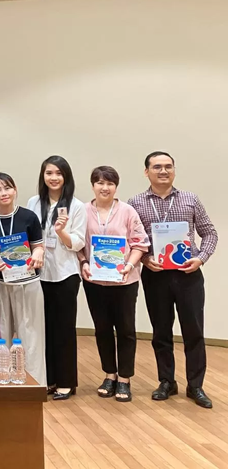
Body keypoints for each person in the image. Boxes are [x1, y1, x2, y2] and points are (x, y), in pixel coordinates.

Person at [128, 151, 218, 409]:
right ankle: (167, 381)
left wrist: (201, 258)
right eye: (157, 167)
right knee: (161, 331)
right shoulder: (135, 203)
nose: (163, 171)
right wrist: (145, 259)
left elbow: (209, 233)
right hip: (155, 276)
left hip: (188, 275)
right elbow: (132, 240)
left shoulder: (190, 199)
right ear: (147, 172)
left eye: (168, 166)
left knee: (194, 331)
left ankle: (196, 385)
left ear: (174, 170)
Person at [80, 166, 149, 403]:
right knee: (102, 329)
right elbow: (79, 244)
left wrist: (129, 265)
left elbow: (140, 243)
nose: (104, 187)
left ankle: (125, 378)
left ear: (115, 186)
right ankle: (109, 374)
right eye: (99, 182)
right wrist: (84, 262)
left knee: (126, 330)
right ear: (92, 186)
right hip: (94, 281)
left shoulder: (128, 211)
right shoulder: (83, 211)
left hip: (124, 281)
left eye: (109, 183)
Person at [26, 155, 86, 400]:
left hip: (65, 274)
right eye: (49, 173)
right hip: (37, 275)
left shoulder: (77, 206)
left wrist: (61, 232)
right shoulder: (33, 202)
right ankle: (49, 378)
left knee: (63, 329)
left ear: (66, 177)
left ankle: (66, 382)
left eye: (58, 173)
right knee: (43, 328)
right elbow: (28, 236)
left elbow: (78, 243)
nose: (53, 178)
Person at [0, 172, 47, 386]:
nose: (4, 193)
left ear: (15, 189)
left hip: (28, 282)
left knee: (31, 335)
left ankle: (34, 383)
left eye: (8, 188)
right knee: (1, 334)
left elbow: (38, 246)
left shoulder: (29, 216)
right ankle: (2, 381)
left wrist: (39, 253)